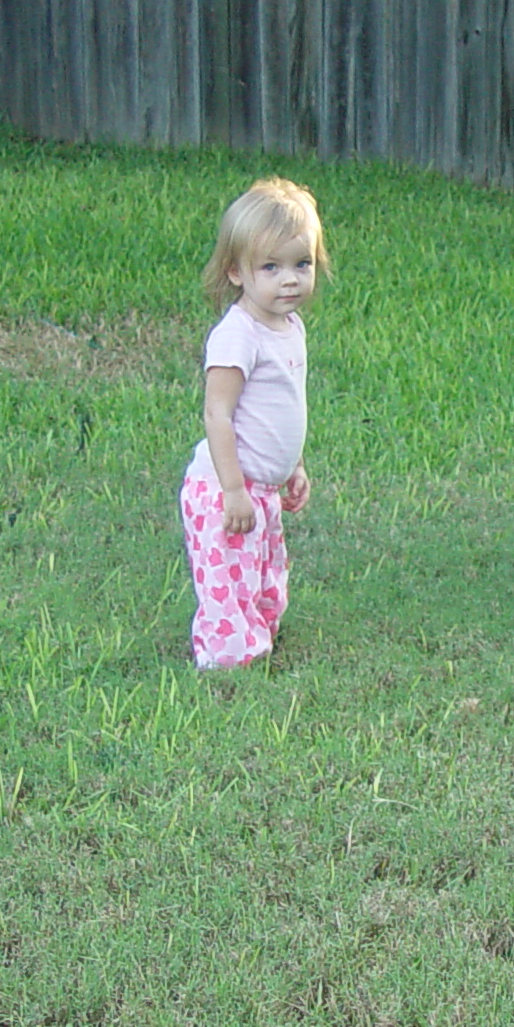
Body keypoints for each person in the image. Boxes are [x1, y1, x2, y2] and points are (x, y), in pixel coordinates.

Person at [180, 178, 326, 669]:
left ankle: (258, 640)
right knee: (229, 582)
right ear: (236, 272)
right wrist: (234, 489)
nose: (290, 279)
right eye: (271, 267)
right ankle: (226, 663)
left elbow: (283, 405)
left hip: (263, 486)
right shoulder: (237, 336)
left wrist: (295, 465)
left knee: (264, 575)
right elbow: (218, 414)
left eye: (301, 264)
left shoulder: (290, 327)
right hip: (225, 488)